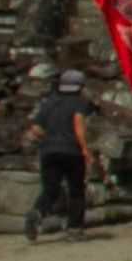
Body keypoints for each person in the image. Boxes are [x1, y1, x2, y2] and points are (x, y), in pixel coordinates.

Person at [30, 72, 93, 233]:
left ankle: (38, 211)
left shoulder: (48, 103)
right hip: (72, 150)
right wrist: (85, 149)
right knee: (77, 190)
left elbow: (35, 129)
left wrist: (51, 137)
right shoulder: (79, 103)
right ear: (80, 87)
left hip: (49, 151)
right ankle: (74, 227)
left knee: (51, 188)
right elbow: (78, 124)